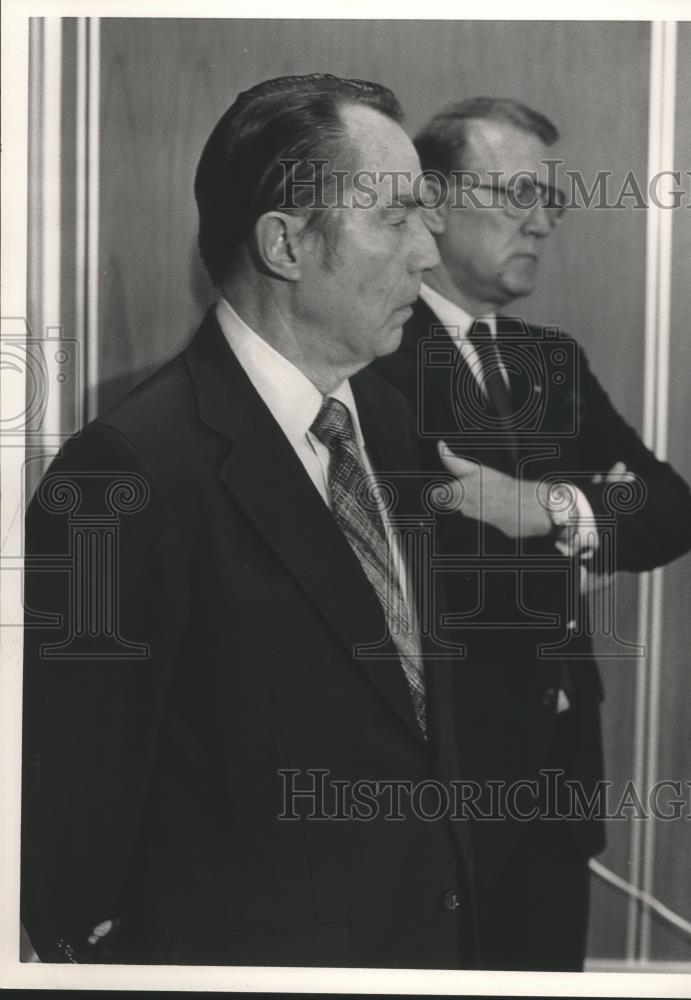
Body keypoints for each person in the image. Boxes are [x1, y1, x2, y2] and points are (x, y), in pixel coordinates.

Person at [21, 75, 477, 969]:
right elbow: (69, 817)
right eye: (395, 217)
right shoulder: (130, 471)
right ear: (285, 243)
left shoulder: (387, 421)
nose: (431, 251)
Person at [371, 96, 691, 970]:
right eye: (516, 193)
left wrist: (543, 508)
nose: (541, 222)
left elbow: (671, 510)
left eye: (548, 198)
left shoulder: (549, 357)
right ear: (432, 202)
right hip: (436, 787)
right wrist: (592, 504)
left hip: (557, 781)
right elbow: (422, 545)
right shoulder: (371, 358)